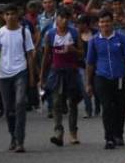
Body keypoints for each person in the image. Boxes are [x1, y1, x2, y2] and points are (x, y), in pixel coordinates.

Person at [0, 4, 36, 153]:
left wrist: (32, 76)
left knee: (20, 103)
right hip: (3, 74)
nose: (10, 17)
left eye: (12, 14)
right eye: (7, 14)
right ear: (3, 17)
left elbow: (30, 55)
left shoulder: (24, 32)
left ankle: (20, 141)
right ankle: (13, 137)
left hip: (20, 71)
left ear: (18, 15)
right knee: (8, 108)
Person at [86, 10, 125, 149]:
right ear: (98, 24)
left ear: (112, 22)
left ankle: (119, 134)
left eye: (107, 21)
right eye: (102, 22)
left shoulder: (122, 38)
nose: (105, 24)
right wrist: (88, 83)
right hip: (101, 77)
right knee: (106, 107)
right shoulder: (94, 41)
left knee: (119, 107)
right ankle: (109, 138)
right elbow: (90, 63)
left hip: (119, 77)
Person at [40, 8, 83, 146]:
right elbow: (46, 56)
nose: (63, 20)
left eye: (66, 18)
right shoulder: (50, 34)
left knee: (72, 103)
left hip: (71, 72)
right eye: (61, 17)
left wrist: (73, 50)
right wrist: (42, 77)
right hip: (56, 72)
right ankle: (58, 132)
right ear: (56, 19)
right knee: (56, 103)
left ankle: (73, 133)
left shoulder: (74, 33)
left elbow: (82, 53)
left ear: (69, 19)